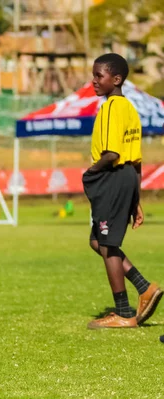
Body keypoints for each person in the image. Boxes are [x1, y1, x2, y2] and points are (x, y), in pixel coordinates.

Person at [83, 53, 161, 329]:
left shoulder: (110, 108)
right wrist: (135, 199)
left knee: (106, 244)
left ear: (116, 79)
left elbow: (112, 153)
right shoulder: (130, 108)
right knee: (98, 241)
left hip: (112, 176)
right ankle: (145, 288)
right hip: (127, 177)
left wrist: (91, 172)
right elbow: (136, 158)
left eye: (98, 76)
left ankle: (123, 313)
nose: (93, 81)